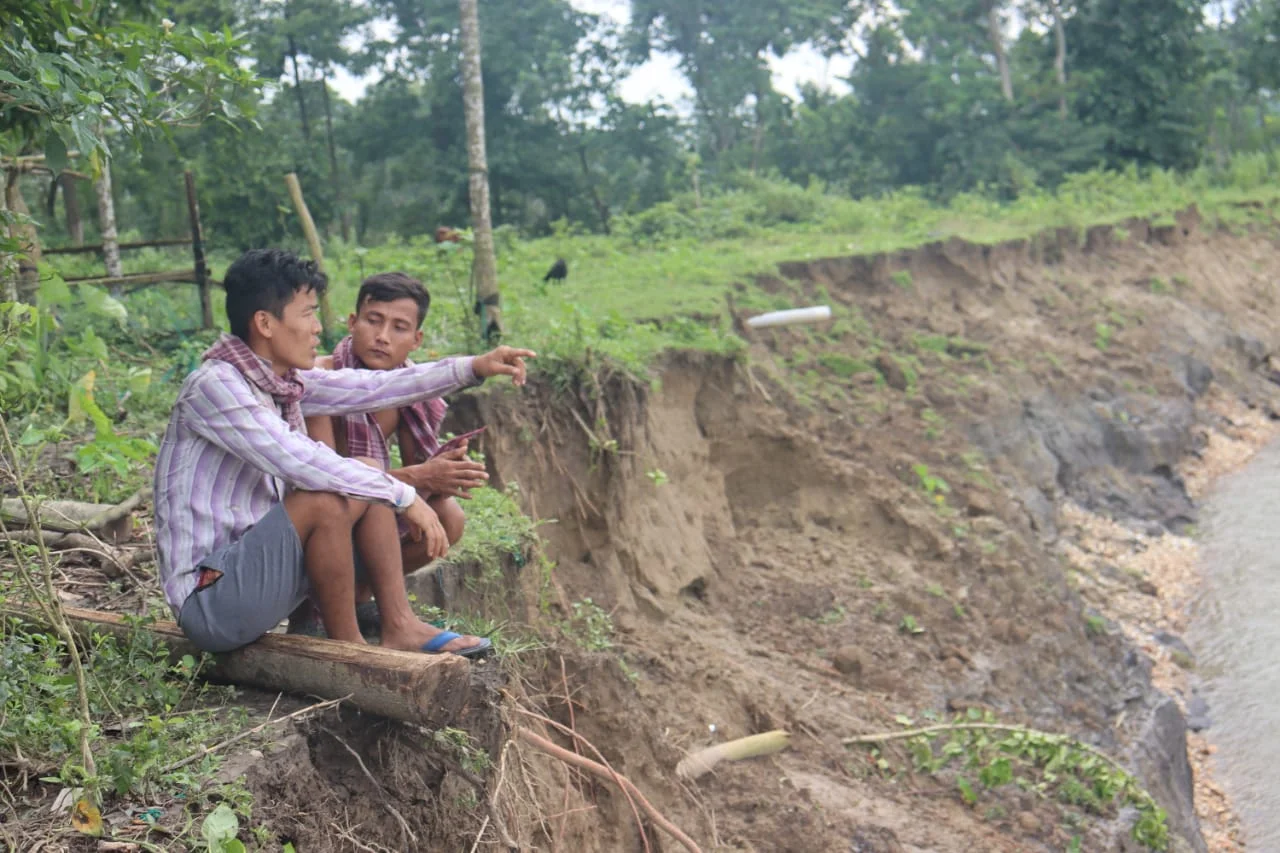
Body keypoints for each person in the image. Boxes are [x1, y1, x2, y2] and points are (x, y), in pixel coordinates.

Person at [153, 249, 534, 658]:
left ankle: (398, 625)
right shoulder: (217, 387)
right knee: (331, 492)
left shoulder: (280, 383)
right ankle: (348, 647)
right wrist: (404, 495)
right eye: (308, 314)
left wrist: (474, 366)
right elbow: (300, 460)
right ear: (265, 323)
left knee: (366, 471)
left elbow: (374, 387)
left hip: (255, 577)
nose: (318, 328)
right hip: (212, 600)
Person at [300, 271, 488, 636]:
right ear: (352, 323)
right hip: (323, 515)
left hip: (367, 516)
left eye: (399, 327)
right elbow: (327, 479)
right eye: (373, 321)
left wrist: (445, 474)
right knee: (373, 487)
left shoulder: (411, 391)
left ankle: (360, 597)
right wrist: (421, 476)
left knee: (448, 518)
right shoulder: (320, 380)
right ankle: (320, 609)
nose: (382, 337)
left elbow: (421, 475)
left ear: (417, 340)